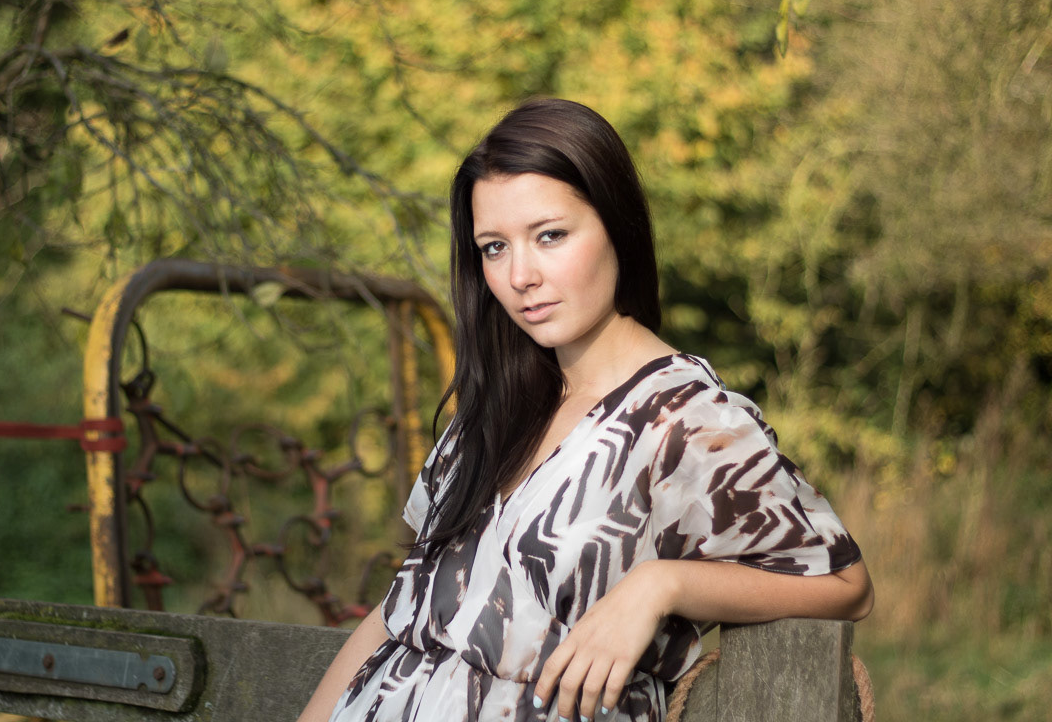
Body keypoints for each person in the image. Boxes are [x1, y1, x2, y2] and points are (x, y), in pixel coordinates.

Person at [297, 98, 873, 722]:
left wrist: (663, 585)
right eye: (494, 247)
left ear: (617, 226)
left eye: (550, 236)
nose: (520, 275)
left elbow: (845, 586)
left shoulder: (686, 421)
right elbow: (403, 611)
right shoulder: (495, 407)